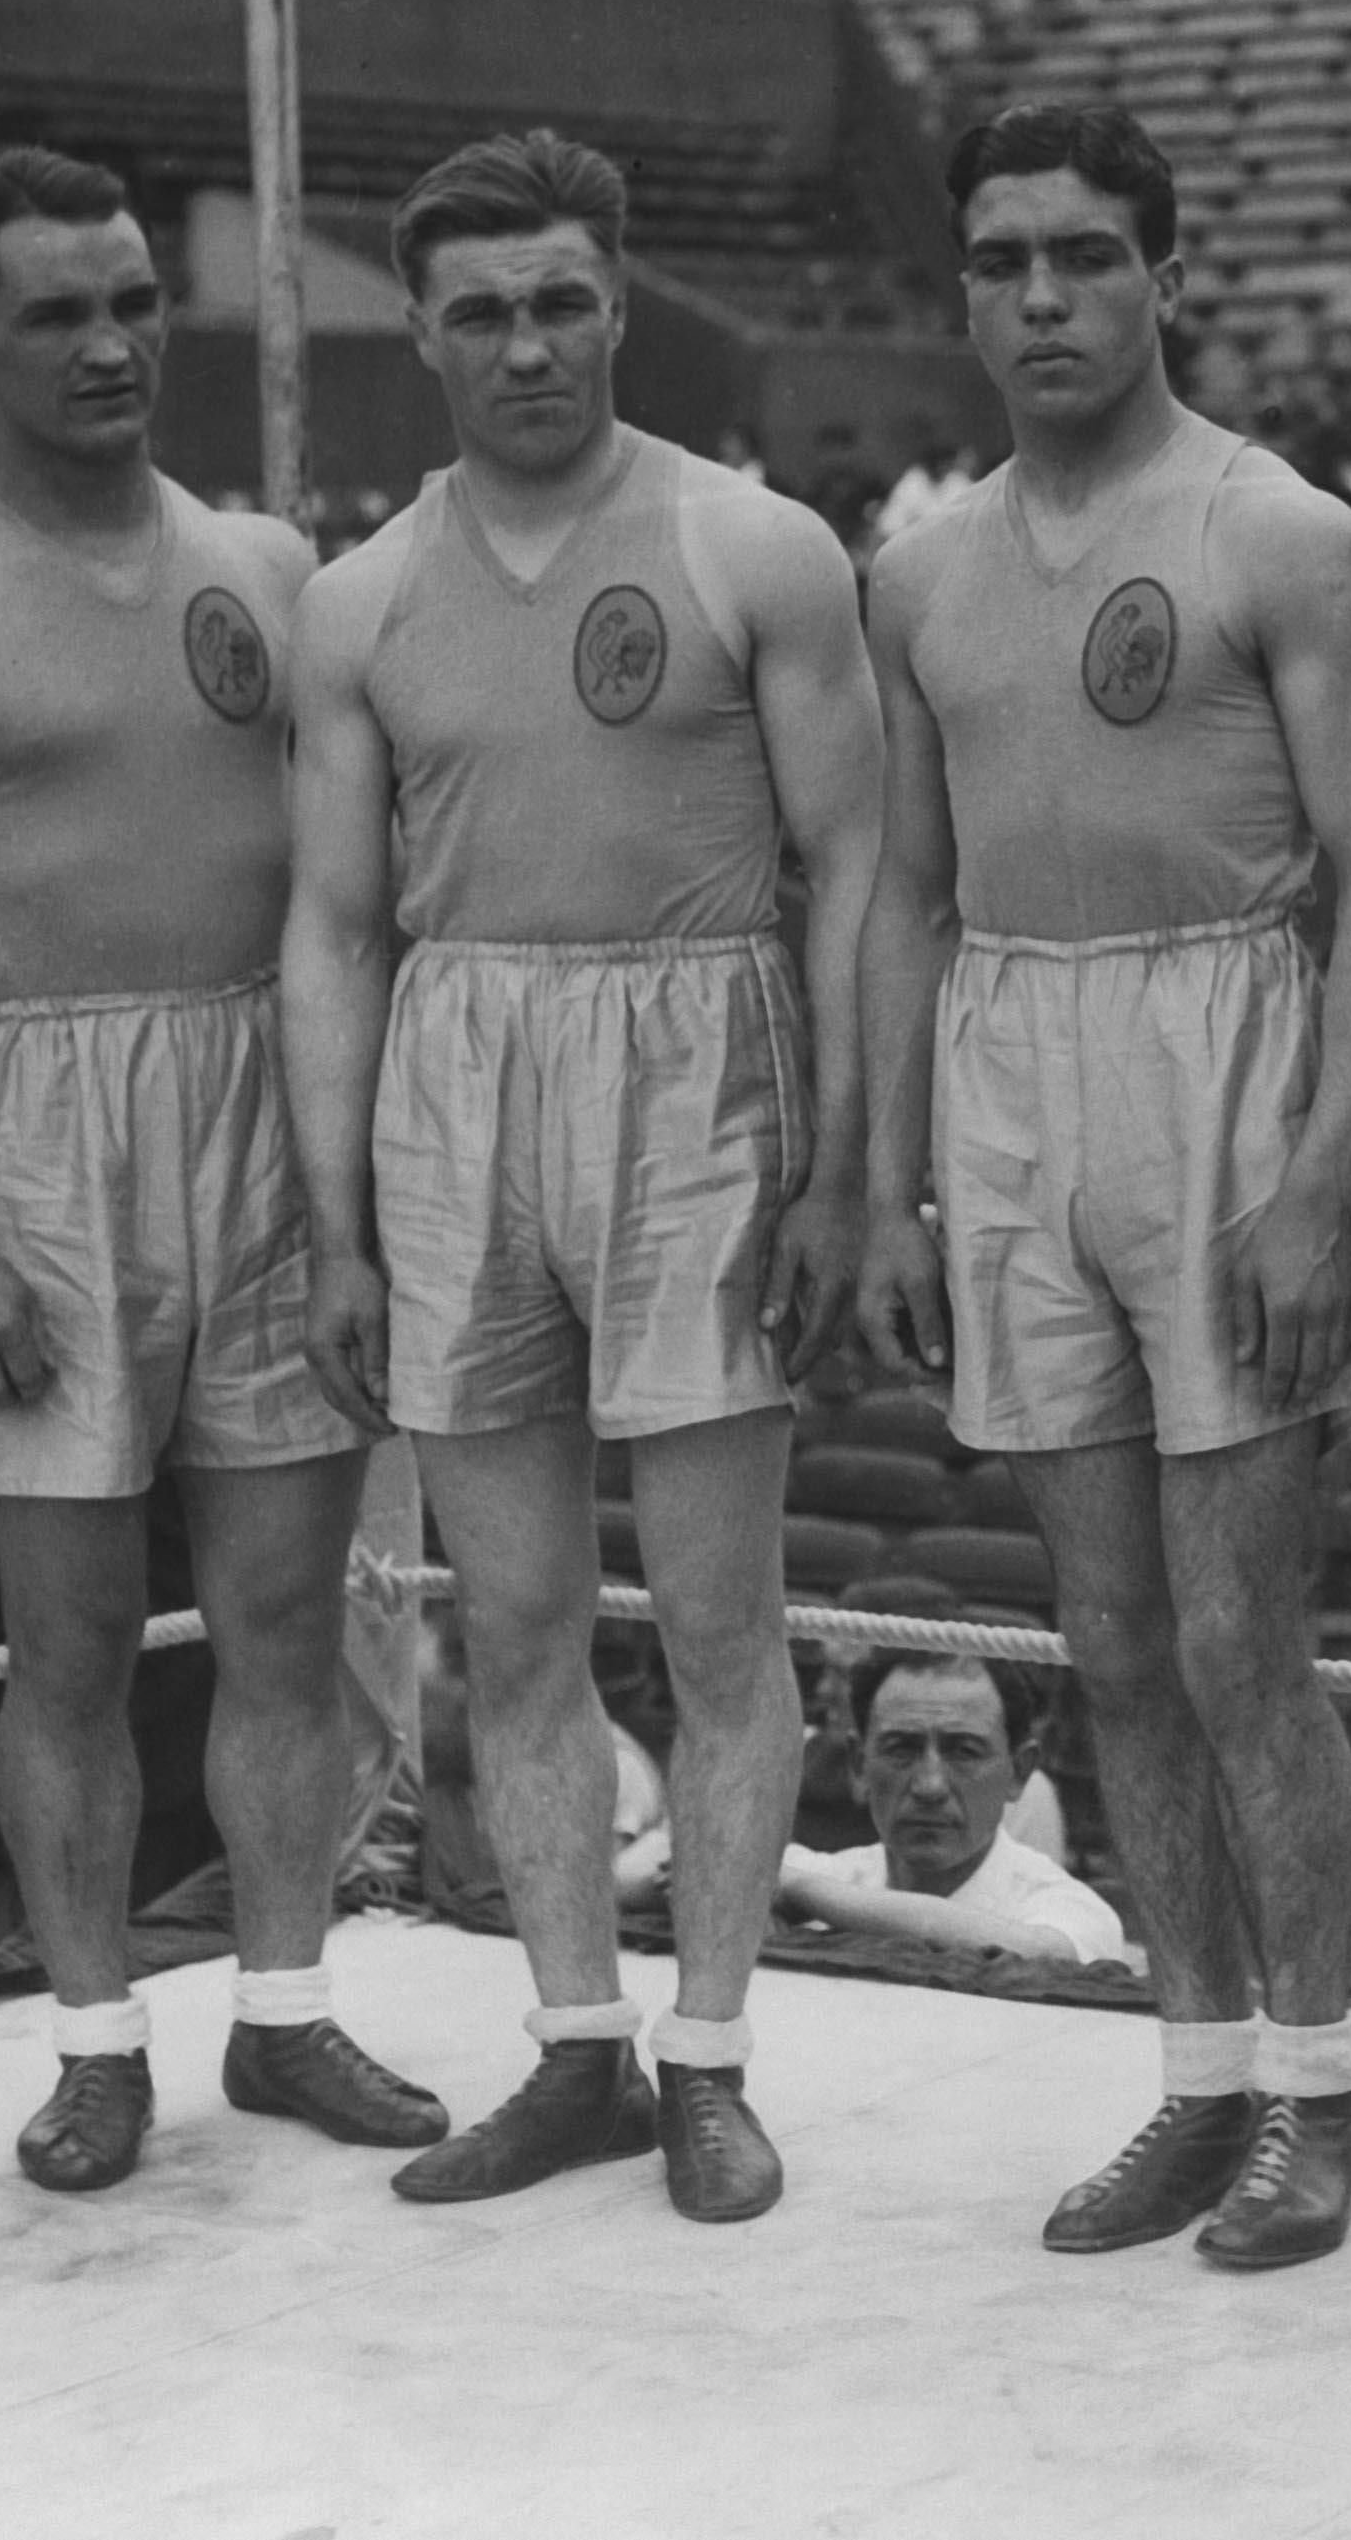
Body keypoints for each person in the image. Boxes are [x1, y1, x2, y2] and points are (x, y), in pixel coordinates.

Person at [0, 149, 445, 2197]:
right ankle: (88, 2040)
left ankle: (281, 2002)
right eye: (60, 309)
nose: (111, 342)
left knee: (276, 1610)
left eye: (137, 298)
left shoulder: (262, 558)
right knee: (65, 1638)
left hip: (268, 1096)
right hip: (40, 1138)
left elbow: (364, 861)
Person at [273, 132, 881, 2222]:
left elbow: (857, 868)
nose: (522, 342)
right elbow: (338, 928)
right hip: (455, 1080)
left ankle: (708, 2051)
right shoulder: (360, 597)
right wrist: (339, 1220)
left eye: (557, 301)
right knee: (509, 1615)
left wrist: (839, 1171)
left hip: (696, 1064)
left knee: (717, 1613)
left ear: (616, 303)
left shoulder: (751, 546)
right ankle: (573, 2044)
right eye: (477, 310)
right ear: (420, 331)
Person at [851, 102, 1351, 2270]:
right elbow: (905, 889)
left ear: (1161, 274)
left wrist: (1320, 1169)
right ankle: (1196, 2076)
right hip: (1015, 1066)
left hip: (1223, 1056)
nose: (1040, 300)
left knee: (1233, 1626)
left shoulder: (1279, 528)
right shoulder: (916, 568)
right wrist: (891, 1179)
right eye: (1000, 262)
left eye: (1084, 257)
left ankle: (1322, 2089)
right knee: (1102, 1635)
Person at [770, 1651, 1130, 1966]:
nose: (930, 1786)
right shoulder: (815, 1876)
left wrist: (798, 1889)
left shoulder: (1070, 1911)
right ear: (859, 1764)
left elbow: (1040, 1956)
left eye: (964, 1752)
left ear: (1019, 1772)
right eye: (901, 1749)